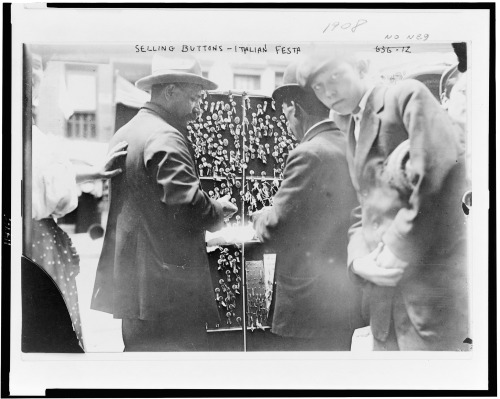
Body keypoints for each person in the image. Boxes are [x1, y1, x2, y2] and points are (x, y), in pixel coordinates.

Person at [297, 50, 469, 350]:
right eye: (319, 87)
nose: (329, 92)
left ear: (360, 66)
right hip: (384, 306)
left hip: (430, 300)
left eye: (335, 76)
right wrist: (358, 260)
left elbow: (441, 171)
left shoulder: (404, 97)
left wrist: (398, 245)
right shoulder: (352, 126)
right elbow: (361, 208)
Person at [90, 55, 238, 352]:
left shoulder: (127, 131)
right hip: (170, 295)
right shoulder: (166, 136)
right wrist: (219, 209)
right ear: (170, 91)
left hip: (136, 293)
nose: (198, 107)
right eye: (194, 98)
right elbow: (187, 204)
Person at [251, 62, 361, 350]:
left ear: (294, 109)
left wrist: (260, 217)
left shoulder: (308, 153)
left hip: (306, 308)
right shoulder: (347, 145)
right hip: (340, 301)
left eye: (285, 113)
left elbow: (277, 228)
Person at [25, 53, 128, 352]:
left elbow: (49, 175)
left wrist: (92, 172)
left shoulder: (34, 139)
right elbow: (52, 186)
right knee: (49, 324)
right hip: (37, 241)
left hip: (36, 238)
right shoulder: (30, 139)